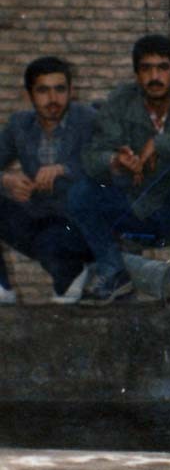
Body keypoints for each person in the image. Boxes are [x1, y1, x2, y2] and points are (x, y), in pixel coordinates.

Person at [68, 34, 170, 305]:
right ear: (137, 75)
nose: (154, 76)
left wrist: (160, 144)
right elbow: (92, 156)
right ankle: (114, 271)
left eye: (162, 68)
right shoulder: (120, 101)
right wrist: (115, 160)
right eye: (146, 69)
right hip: (133, 206)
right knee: (80, 192)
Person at [0, 56, 96, 304]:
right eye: (43, 90)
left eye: (60, 89)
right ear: (28, 95)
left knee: (53, 244)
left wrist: (64, 169)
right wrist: (6, 180)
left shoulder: (89, 120)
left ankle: (72, 275)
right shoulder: (19, 125)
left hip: (78, 223)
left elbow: (110, 166)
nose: (53, 99)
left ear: (71, 91)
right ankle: (2, 288)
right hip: (38, 218)